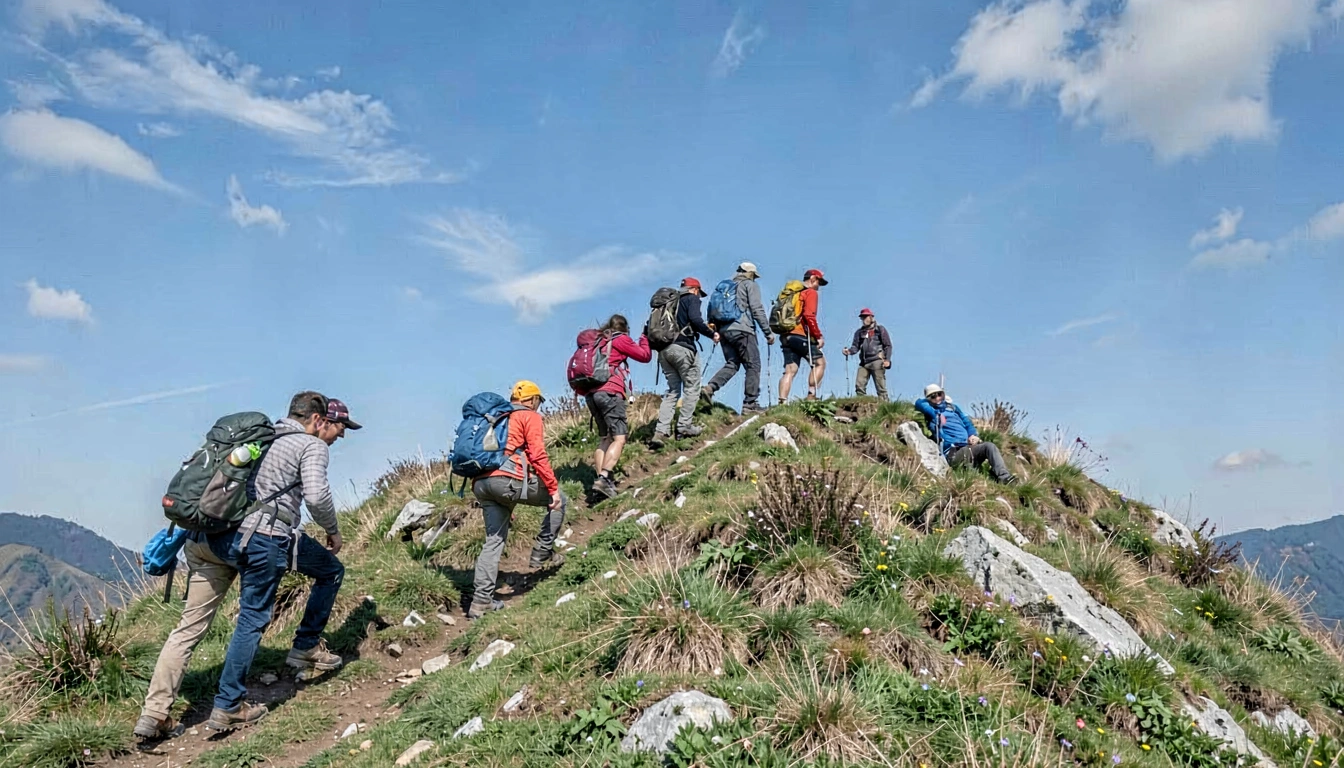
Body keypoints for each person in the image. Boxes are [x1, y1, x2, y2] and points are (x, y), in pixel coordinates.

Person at [136, 392, 358, 737]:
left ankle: (154, 713)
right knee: (253, 618)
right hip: (259, 538)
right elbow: (316, 496)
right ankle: (229, 705)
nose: (339, 438)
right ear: (318, 420)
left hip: (209, 538)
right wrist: (333, 531)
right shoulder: (310, 445)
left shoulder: (259, 437)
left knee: (188, 628)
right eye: (338, 430)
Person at [469, 380, 567, 619]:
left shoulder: (495, 417)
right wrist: (552, 489)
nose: (539, 406)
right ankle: (542, 552)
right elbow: (537, 453)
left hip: (481, 483)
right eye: (539, 402)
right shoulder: (529, 416)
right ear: (532, 400)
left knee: (493, 541)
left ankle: (480, 602)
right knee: (561, 500)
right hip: (505, 479)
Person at [586, 315, 652, 499]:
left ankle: (601, 482)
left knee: (604, 438)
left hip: (592, 394)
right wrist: (644, 339)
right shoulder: (620, 339)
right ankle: (604, 478)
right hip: (610, 392)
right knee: (620, 438)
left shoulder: (597, 342)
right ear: (625, 328)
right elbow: (644, 356)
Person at [701, 262, 775, 415]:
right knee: (753, 365)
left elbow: (712, 310)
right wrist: (767, 332)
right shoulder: (749, 285)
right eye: (753, 276)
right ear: (750, 274)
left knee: (733, 363)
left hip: (724, 332)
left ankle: (710, 388)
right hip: (743, 329)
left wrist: (715, 331)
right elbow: (757, 308)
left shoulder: (726, 286)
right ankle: (750, 404)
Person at [652, 277, 718, 447]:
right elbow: (696, 320)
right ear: (694, 289)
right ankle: (684, 426)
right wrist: (712, 334)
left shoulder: (667, 303)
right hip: (683, 348)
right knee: (692, 387)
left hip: (664, 350)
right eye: (699, 293)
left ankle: (660, 432)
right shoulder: (691, 299)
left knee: (673, 391)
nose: (699, 296)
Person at [915, 384, 1016, 484]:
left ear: (943, 394)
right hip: (953, 452)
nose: (937, 398)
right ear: (928, 399)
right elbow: (919, 403)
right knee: (973, 450)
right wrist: (933, 409)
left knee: (989, 447)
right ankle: (980, 476)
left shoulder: (953, 408)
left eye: (939, 394)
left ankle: (1004, 477)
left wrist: (972, 435)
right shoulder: (932, 412)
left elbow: (967, 422)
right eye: (933, 396)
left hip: (968, 446)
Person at [778, 269, 827, 402]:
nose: (819, 287)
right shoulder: (810, 292)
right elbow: (809, 315)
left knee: (790, 370)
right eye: (818, 282)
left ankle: (782, 402)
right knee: (820, 363)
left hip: (786, 335)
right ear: (812, 279)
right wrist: (818, 336)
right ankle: (811, 397)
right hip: (800, 334)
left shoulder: (791, 293)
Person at [843, 308, 893, 400]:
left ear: (871, 317)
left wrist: (887, 360)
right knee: (859, 385)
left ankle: (885, 405)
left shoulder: (880, 329)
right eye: (862, 317)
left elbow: (888, 345)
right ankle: (861, 404)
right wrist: (849, 351)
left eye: (866, 317)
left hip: (877, 360)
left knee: (880, 386)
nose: (864, 319)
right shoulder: (859, 332)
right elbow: (855, 346)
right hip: (864, 362)